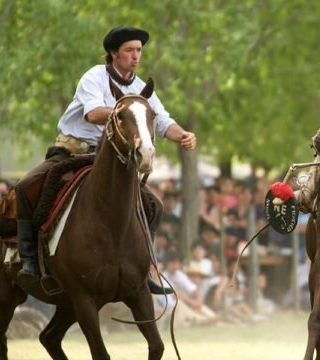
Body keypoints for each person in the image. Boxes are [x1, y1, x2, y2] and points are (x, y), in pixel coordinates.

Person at [14, 26, 197, 293]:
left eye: (139, 51)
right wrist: (129, 111)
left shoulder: (139, 87)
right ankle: (30, 263)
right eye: (129, 50)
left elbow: (162, 119)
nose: (136, 56)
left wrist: (183, 135)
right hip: (72, 152)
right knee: (25, 187)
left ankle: (143, 270)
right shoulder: (94, 77)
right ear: (113, 53)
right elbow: (93, 113)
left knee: (154, 206)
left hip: (110, 160)